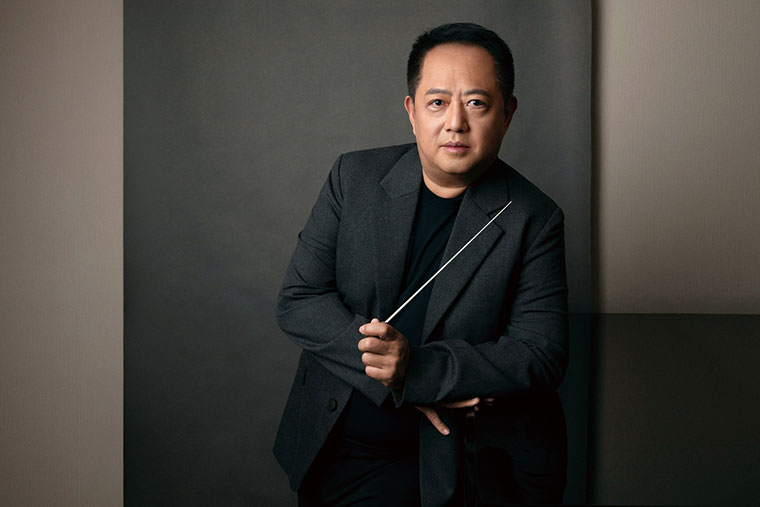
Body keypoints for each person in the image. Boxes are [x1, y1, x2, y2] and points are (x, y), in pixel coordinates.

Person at [274, 23, 569, 506]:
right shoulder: (354, 177)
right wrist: (394, 375)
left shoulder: (534, 217)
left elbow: (540, 353)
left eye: (477, 103)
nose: (455, 123)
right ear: (412, 112)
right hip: (330, 443)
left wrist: (421, 370)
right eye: (437, 102)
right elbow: (299, 300)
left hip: (441, 461)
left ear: (507, 113)